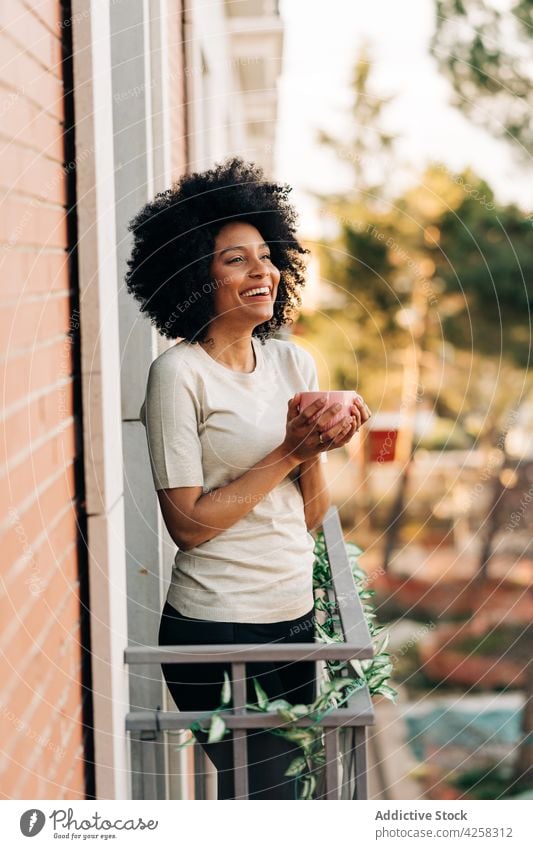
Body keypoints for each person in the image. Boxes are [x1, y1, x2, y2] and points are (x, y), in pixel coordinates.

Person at [125, 156, 371, 799]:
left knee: (289, 794)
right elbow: (188, 527)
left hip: (293, 617)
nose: (261, 270)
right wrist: (290, 451)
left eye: (265, 255)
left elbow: (309, 516)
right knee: (268, 801)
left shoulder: (294, 361)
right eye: (235, 259)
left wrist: (321, 443)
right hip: (215, 626)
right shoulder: (179, 375)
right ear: (192, 275)